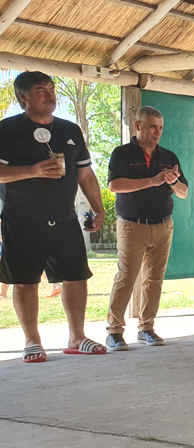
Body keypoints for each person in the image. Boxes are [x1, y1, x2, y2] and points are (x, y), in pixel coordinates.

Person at [0, 71, 108, 362]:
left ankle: (77, 337)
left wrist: (99, 208)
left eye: (51, 88)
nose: (49, 95)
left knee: (76, 276)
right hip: (21, 219)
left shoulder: (70, 130)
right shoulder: (6, 130)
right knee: (25, 281)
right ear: (22, 98)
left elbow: (85, 173)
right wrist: (33, 170)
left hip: (64, 217)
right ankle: (32, 341)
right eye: (40, 90)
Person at [104, 106, 189, 351]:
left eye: (160, 128)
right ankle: (114, 331)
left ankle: (147, 327)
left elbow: (184, 192)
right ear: (138, 126)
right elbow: (114, 185)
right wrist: (151, 181)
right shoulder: (121, 153)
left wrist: (173, 182)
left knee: (154, 279)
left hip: (163, 224)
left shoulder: (169, 156)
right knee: (126, 277)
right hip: (132, 225)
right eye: (152, 127)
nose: (157, 132)